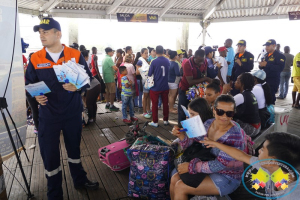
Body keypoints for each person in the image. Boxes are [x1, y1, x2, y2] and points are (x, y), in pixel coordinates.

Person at [25, 18, 99, 200]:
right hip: (48, 115)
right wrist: (36, 95)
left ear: (58, 34)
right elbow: (29, 82)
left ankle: (79, 180)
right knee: (50, 155)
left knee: (74, 150)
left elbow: (88, 79)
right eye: (40, 32)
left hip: (72, 113)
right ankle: (54, 193)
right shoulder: (35, 57)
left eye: (46, 31)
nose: (41, 35)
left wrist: (78, 87)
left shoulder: (75, 54)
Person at [170, 95, 246, 199]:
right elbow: (195, 142)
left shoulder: (234, 135)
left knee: (180, 187)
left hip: (227, 176)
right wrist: (182, 136)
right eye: (220, 111)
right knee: (174, 178)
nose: (224, 117)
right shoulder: (209, 123)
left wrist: (191, 167)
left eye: (229, 113)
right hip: (207, 166)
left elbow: (220, 165)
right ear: (214, 110)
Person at [201, 132, 300, 200]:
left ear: (271, 160)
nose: (258, 151)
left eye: (262, 149)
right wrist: (215, 144)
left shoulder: (293, 196)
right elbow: (241, 156)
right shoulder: (273, 168)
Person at [178, 49, 212, 124]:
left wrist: (204, 79)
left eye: (202, 61)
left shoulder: (204, 61)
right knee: (183, 110)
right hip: (185, 89)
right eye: (199, 61)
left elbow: (204, 72)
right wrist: (205, 79)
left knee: (195, 110)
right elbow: (190, 82)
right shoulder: (187, 64)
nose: (201, 63)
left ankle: (193, 129)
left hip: (197, 90)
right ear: (194, 57)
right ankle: (181, 128)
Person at [223, 73, 261, 137]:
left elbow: (222, 105)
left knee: (224, 118)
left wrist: (224, 91)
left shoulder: (241, 96)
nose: (235, 82)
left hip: (251, 129)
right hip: (257, 127)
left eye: (237, 81)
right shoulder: (250, 94)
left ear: (242, 84)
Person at [148, 45, 170, 127]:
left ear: (156, 52)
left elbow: (150, 74)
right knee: (165, 103)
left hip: (155, 86)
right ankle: (166, 120)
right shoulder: (168, 61)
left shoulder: (154, 61)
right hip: (165, 85)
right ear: (163, 52)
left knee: (154, 104)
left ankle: (155, 121)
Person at [259, 39, 286, 105]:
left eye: (268, 46)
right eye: (266, 46)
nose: (266, 47)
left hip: (273, 80)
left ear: (274, 45)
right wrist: (261, 65)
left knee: (270, 99)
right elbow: (262, 66)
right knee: (263, 98)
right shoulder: (265, 55)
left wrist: (266, 64)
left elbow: (280, 68)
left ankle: (271, 113)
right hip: (264, 79)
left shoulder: (280, 56)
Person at [82, 50, 101, 123]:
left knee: (89, 103)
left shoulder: (83, 64)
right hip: (96, 84)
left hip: (93, 85)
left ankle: (91, 119)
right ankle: (93, 118)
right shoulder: (85, 63)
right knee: (93, 102)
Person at [102, 47, 119, 111]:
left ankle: (107, 104)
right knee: (112, 92)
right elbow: (115, 68)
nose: (113, 53)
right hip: (110, 77)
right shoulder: (109, 59)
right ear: (109, 52)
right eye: (112, 52)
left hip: (105, 77)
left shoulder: (104, 58)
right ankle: (111, 105)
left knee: (107, 92)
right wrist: (119, 70)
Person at [136, 48, 151, 118]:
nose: (147, 54)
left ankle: (148, 109)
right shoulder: (140, 61)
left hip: (148, 80)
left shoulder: (145, 61)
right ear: (141, 53)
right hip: (145, 80)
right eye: (145, 53)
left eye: (147, 53)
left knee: (148, 96)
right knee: (145, 96)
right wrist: (145, 71)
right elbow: (137, 72)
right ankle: (144, 111)